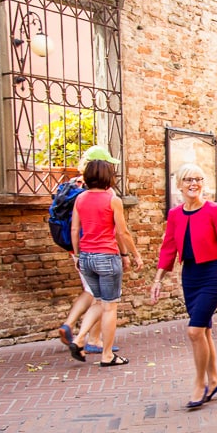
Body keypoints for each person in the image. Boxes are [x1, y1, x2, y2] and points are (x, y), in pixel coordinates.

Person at [151, 163, 217, 409]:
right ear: (179, 184)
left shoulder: (215, 210)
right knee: (204, 332)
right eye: (188, 179)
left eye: (198, 179)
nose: (194, 184)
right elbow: (168, 247)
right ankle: (214, 380)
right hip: (190, 275)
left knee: (194, 331)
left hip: (212, 274)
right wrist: (158, 279)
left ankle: (199, 383)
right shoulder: (175, 214)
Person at [66, 145, 142, 365]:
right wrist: (134, 255)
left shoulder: (80, 199)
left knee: (98, 301)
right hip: (107, 256)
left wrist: (79, 256)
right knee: (110, 306)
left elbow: (74, 229)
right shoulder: (112, 200)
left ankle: (79, 339)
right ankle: (108, 355)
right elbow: (122, 231)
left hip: (87, 256)